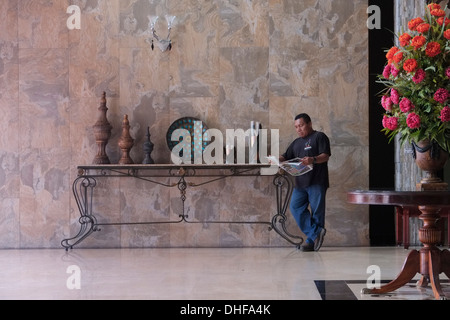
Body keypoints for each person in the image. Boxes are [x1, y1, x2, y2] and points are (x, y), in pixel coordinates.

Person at [280, 113, 331, 252]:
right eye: (296, 127)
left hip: (317, 181)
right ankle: (316, 233)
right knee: (295, 208)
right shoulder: (296, 143)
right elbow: (285, 156)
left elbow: (325, 156)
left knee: (317, 213)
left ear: (309, 124)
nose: (299, 129)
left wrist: (312, 160)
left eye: (301, 125)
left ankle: (311, 242)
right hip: (300, 183)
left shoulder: (319, 137)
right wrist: (275, 159)